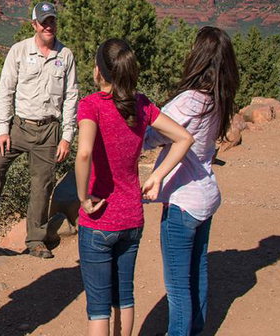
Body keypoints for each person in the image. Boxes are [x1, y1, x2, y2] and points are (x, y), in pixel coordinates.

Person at [75, 38, 193, 336]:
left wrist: (83, 197)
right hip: (131, 217)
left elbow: (84, 152)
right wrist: (157, 176)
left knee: (98, 307)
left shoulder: (91, 105)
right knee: (124, 296)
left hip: (99, 218)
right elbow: (183, 138)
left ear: (98, 72)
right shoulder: (141, 105)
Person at [143, 26, 239, 336]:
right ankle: (195, 330)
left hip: (183, 202)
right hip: (206, 194)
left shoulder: (189, 101)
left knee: (176, 285)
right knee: (198, 269)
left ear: (198, 57)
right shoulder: (220, 97)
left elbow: (152, 135)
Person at [0, 1, 78, 259]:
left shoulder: (66, 55)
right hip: (18, 127)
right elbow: (6, 90)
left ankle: (36, 240)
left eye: (52, 21)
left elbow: (72, 97)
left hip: (49, 131)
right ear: (34, 25)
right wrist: (3, 130)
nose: (49, 26)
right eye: (44, 21)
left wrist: (67, 136)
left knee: (42, 185)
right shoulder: (19, 51)